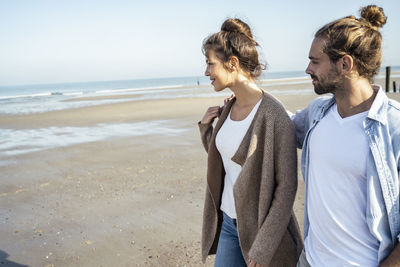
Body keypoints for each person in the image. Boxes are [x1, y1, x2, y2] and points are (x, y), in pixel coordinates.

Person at [291, 5, 400, 267]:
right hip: (310, 260)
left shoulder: (394, 127)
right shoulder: (317, 113)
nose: (308, 69)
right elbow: (278, 123)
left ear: (345, 64)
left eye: (315, 61)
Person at [198, 18, 303, 267]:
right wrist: (206, 129)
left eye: (210, 64)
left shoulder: (273, 115)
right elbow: (229, 158)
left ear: (232, 63)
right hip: (228, 225)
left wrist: (264, 245)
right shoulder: (229, 107)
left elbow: (287, 188)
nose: (206, 72)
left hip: (261, 231)